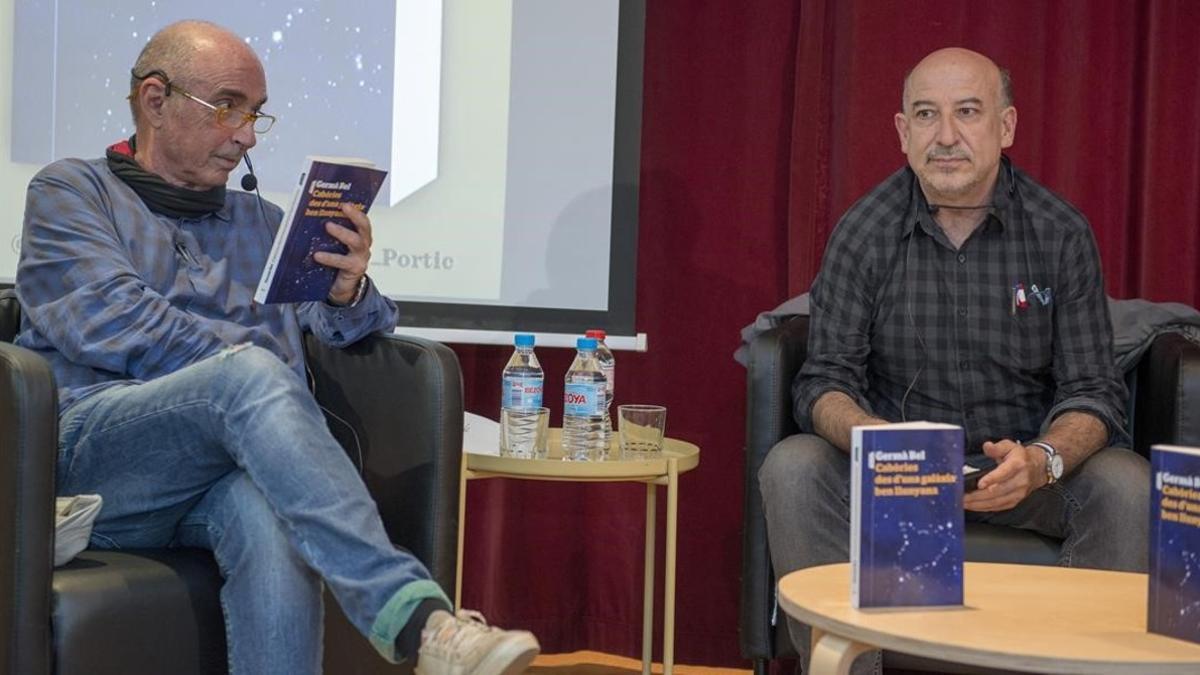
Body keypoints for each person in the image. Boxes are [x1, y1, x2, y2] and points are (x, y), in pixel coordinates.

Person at [15, 19, 539, 675]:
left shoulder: (263, 223)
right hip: (99, 461)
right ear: (155, 99)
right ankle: (416, 619)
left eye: (257, 116)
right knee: (249, 378)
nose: (244, 136)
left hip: (220, 470)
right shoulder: (71, 192)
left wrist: (347, 291)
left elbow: (348, 333)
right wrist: (255, 374)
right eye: (228, 108)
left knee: (265, 511)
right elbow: (113, 320)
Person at [758, 47, 1148, 672]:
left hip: (1019, 474)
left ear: (1006, 126)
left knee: (1125, 483)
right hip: (895, 475)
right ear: (902, 132)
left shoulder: (1060, 233)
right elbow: (823, 379)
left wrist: (1042, 461)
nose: (946, 136)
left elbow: (1094, 391)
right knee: (793, 467)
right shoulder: (863, 231)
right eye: (926, 114)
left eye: (967, 112)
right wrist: (875, 440)